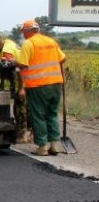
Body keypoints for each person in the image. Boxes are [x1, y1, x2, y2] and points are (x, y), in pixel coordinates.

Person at [16, 19, 67, 156]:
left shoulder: (29, 44)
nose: (23, 35)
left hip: (38, 85)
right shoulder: (51, 41)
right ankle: (55, 144)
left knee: (38, 115)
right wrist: (63, 79)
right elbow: (62, 59)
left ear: (28, 31)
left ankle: (42, 146)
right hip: (56, 83)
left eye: (24, 32)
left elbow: (22, 66)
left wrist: (22, 88)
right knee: (52, 113)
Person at [0, 32, 31, 144]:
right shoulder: (7, 43)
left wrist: (20, 88)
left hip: (21, 77)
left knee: (20, 106)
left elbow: (17, 69)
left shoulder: (7, 52)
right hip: (23, 76)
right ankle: (27, 131)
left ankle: (22, 133)